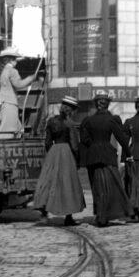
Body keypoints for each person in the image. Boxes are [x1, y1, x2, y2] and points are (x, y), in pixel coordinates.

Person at [79, 93, 133, 227]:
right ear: (107, 104)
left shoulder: (88, 121)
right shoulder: (111, 120)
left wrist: (92, 147)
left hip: (93, 156)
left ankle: (100, 215)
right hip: (108, 155)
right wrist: (128, 154)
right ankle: (107, 214)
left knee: (96, 187)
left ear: (96, 104)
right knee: (111, 186)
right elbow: (121, 138)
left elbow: (84, 140)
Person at [33, 96, 86, 226]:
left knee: (49, 180)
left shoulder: (51, 121)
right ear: (71, 110)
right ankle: (69, 216)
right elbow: (74, 144)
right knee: (68, 183)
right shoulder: (70, 124)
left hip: (54, 151)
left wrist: (52, 153)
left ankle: (43, 208)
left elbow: (47, 142)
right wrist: (77, 160)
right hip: (66, 153)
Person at [0, 47, 43, 139]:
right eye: (15, 59)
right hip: (9, 104)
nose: (16, 61)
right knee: (8, 130)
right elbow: (18, 84)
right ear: (11, 60)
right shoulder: (12, 71)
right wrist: (32, 77)